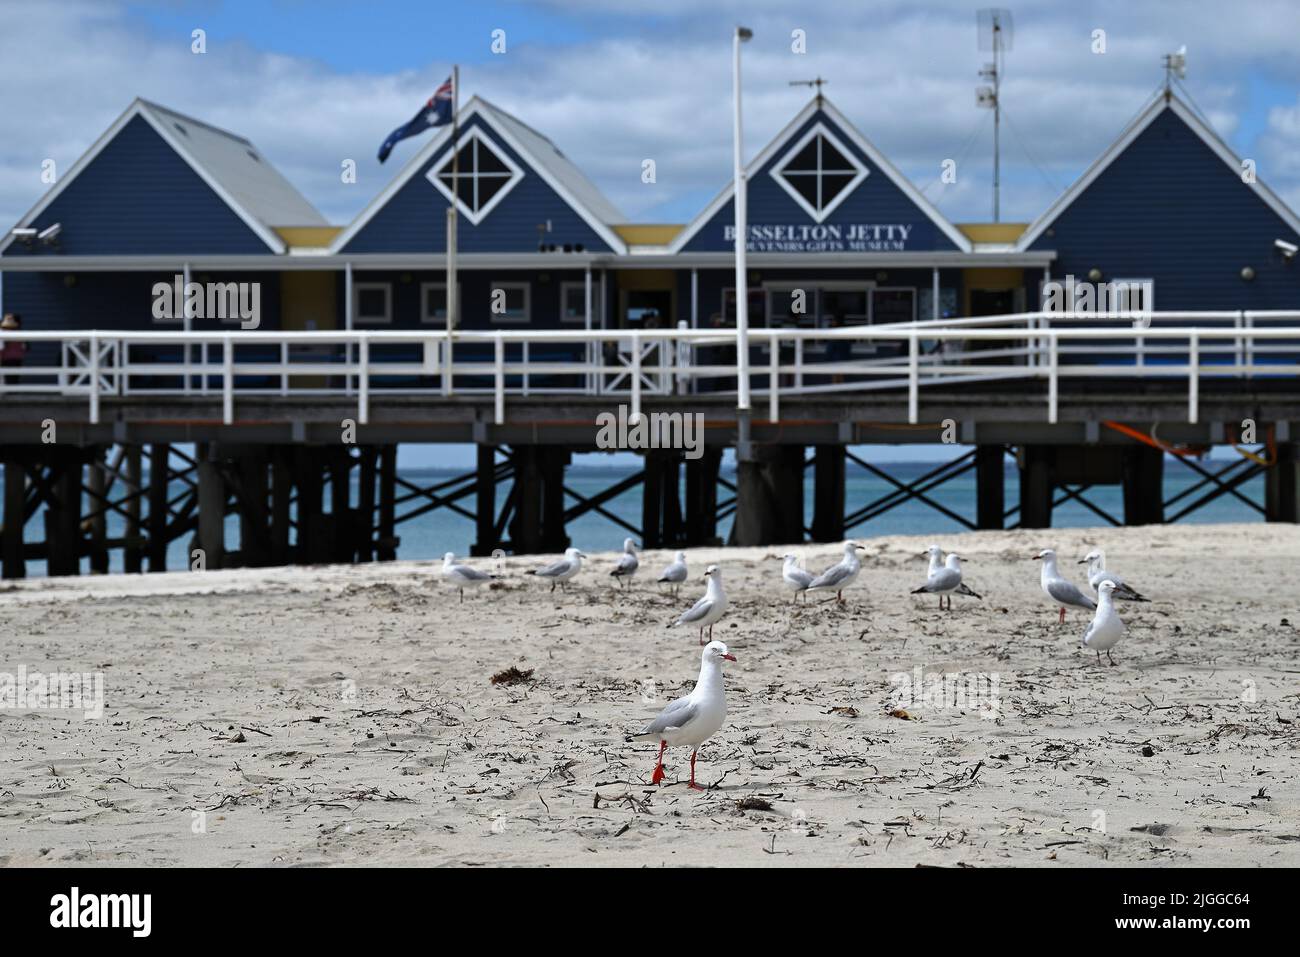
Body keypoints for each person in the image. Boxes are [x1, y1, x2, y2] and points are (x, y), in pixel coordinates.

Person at [0, 313, 26, 385]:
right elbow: (25, 347)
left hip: (6, 358)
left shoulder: (3, 332)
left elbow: (1, 347)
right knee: (14, 377)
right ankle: (13, 391)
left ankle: (9, 391)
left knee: (7, 377)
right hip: (17, 357)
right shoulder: (19, 332)